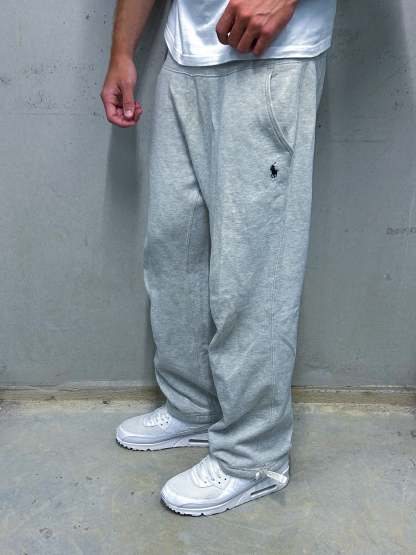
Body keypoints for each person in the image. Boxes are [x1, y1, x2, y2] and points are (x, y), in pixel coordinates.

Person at [101, 0, 337, 517]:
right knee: (173, 254)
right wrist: (122, 50)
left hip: (272, 58)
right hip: (184, 55)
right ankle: (194, 405)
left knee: (253, 272)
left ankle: (254, 457)